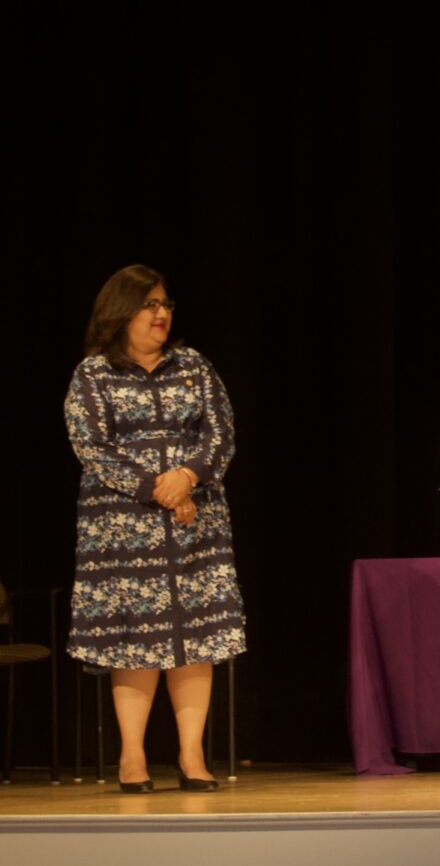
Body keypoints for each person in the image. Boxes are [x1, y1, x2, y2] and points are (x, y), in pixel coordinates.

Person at [65, 265, 246, 793]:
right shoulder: (93, 374)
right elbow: (92, 448)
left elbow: (221, 432)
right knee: (134, 638)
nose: (161, 314)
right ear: (120, 312)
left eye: (165, 303)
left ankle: (192, 756)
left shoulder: (193, 367)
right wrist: (157, 489)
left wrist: (188, 477)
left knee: (197, 636)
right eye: (149, 305)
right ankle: (132, 758)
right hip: (123, 526)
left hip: (196, 519)